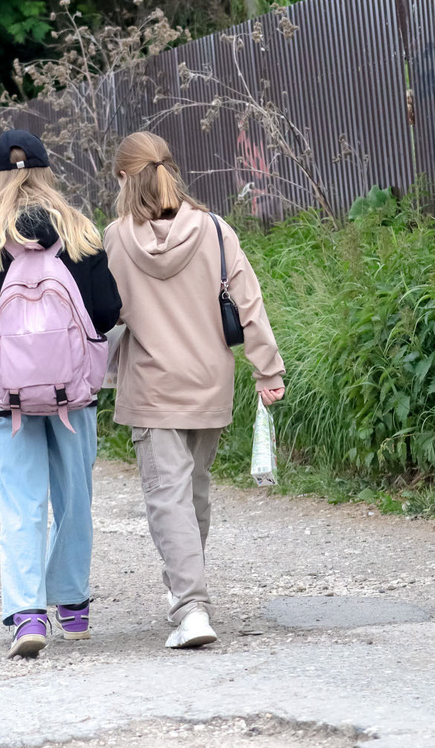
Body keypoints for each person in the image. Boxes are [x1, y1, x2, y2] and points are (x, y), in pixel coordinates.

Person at [103, 131, 286, 649]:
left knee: (168, 498)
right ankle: (186, 592)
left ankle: (191, 608)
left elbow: (104, 314)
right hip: (210, 383)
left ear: (123, 178)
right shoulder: (216, 231)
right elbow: (249, 304)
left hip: (152, 387)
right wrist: (267, 371)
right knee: (194, 493)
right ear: (171, 169)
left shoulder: (115, 239)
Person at [0, 130, 121, 658]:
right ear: (47, 170)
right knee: (75, 500)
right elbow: (107, 309)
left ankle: (28, 616)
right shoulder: (78, 229)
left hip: (6, 395)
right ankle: (71, 606)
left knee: (21, 504)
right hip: (74, 393)